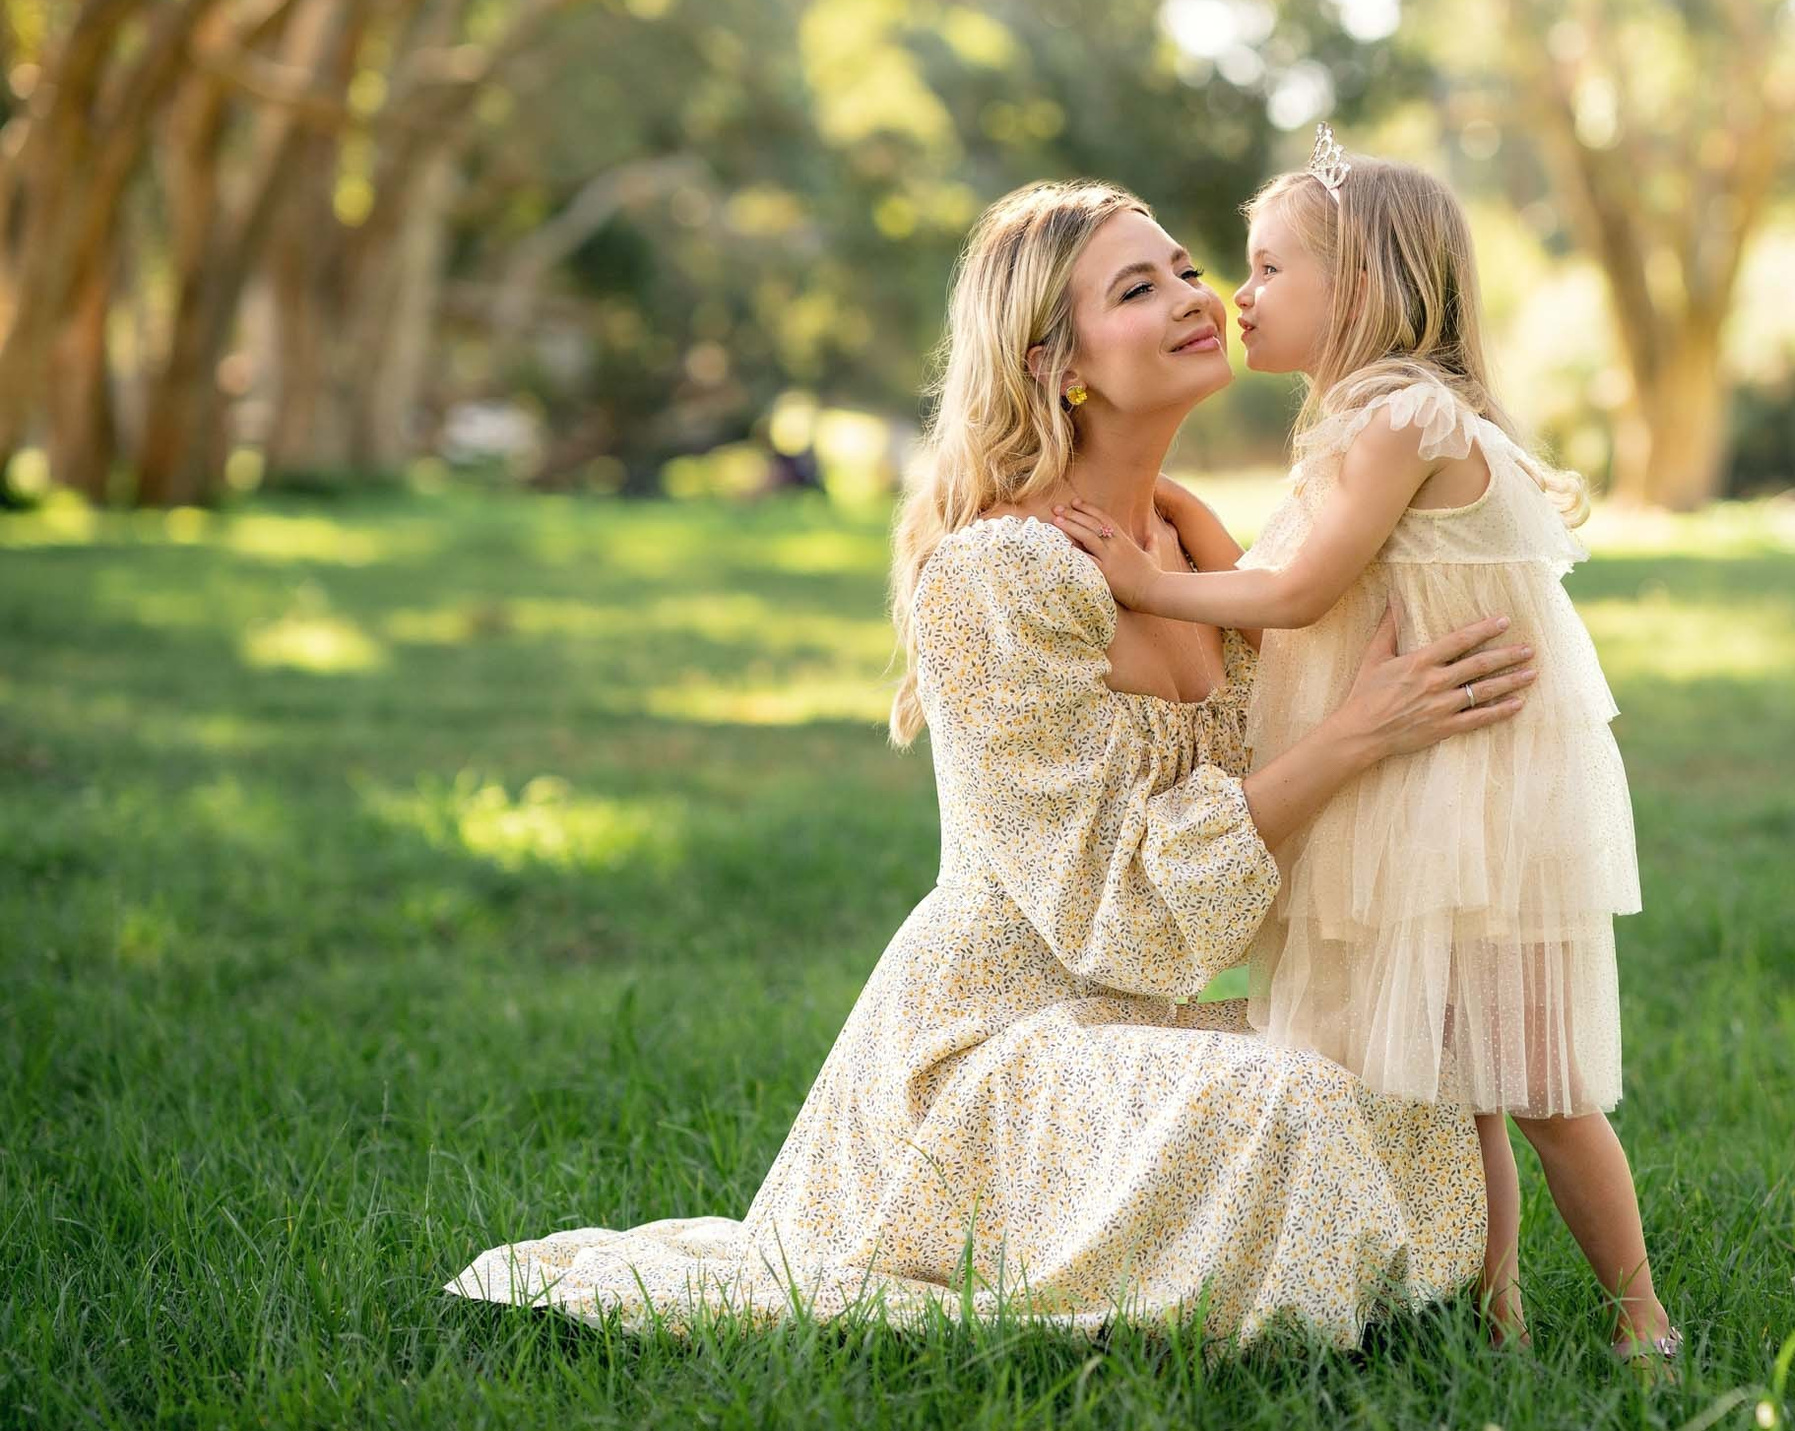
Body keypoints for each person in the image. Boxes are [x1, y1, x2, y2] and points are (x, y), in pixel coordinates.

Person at [444, 179, 1538, 1346]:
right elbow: (1111, 914)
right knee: (1293, 1108)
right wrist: (1356, 733)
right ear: (1055, 361)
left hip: (1132, 1024)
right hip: (992, 1045)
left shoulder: (1190, 542)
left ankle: (1423, 1300)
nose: (1193, 295)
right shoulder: (994, 578)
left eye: (1181, 267)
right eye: (1137, 287)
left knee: (1411, 1078)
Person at [1052, 134, 1674, 1361]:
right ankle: (1492, 1314)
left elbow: (1294, 594)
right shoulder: (1363, 422)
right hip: (1421, 783)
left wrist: (1144, 580)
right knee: (1461, 1088)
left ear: (1366, 287)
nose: (1238, 295)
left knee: (1538, 1086)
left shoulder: (1402, 414)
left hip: (1469, 791)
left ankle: (1639, 1317)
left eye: (1270, 266)